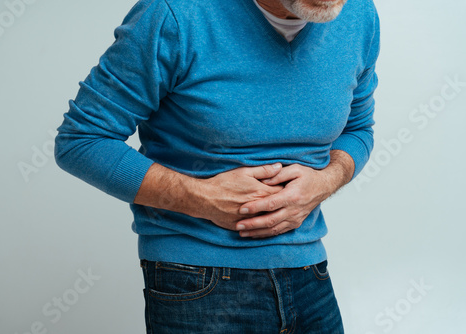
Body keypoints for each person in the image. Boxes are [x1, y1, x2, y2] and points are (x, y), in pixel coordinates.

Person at [55, 0, 380, 332]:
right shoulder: (175, 15)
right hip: (195, 280)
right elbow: (82, 139)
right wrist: (201, 197)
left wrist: (326, 180)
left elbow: (358, 128)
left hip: (309, 273)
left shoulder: (359, 15)